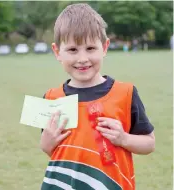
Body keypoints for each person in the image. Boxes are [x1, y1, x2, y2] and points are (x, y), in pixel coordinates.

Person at [40, 3, 155, 190]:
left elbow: (149, 143)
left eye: (91, 48)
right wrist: (46, 143)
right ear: (57, 52)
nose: (82, 58)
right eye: (72, 50)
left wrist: (124, 138)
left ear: (105, 47)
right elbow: (49, 148)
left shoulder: (125, 93)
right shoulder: (51, 98)